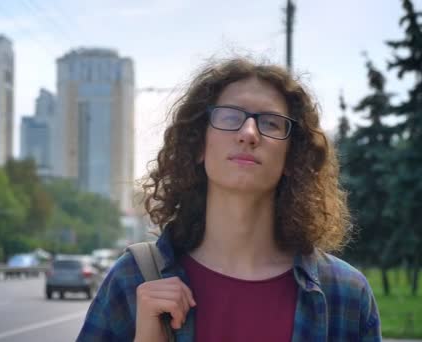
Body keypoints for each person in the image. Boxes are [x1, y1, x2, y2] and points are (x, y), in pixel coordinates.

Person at [78, 57, 381, 341]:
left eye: (271, 123)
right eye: (230, 117)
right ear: (199, 145)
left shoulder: (345, 294)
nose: (249, 133)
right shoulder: (133, 279)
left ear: (292, 158)